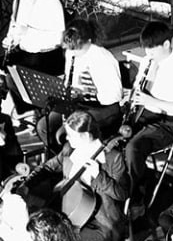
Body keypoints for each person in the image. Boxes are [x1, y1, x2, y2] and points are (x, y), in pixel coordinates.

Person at [35, 108, 131, 241]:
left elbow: (122, 194)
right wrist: (27, 183)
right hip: (69, 214)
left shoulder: (112, 158)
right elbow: (48, 167)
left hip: (100, 223)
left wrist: (99, 176)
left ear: (85, 136)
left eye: (70, 135)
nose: (67, 138)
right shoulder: (70, 149)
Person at [122, 20, 173, 179]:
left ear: (166, 44)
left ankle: (136, 198)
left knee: (133, 148)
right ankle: (121, 183)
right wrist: (130, 95)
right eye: (146, 48)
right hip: (143, 114)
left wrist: (151, 102)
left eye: (152, 48)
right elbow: (138, 86)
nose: (148, 52)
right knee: (114, 135)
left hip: (166, 124)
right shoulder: (147, 61)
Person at [46, 17, 124, 150]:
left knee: (69, 131)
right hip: (80, 103)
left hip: (103, 108)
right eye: (72, 48)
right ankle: (62, 161)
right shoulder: (71, 53)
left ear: (89, 40)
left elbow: (115, 96)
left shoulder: (103, 59)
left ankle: (74, 157)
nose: (75, 52)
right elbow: (69, 81)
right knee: (45, 126)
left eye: (79, 48)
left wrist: (86, 95)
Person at [0, 0, 66, 79]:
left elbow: (58, 39)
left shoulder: (50, 2)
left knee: (11, 79)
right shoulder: (19, 0)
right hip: (25, 54)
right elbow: (14, 27)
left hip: (46, 57)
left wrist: (28, 32)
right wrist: (11, 40)